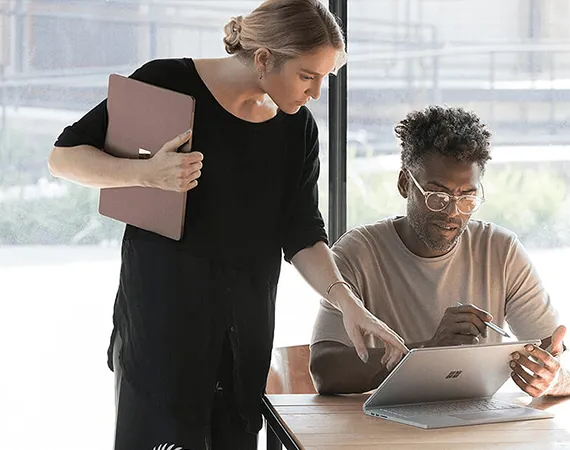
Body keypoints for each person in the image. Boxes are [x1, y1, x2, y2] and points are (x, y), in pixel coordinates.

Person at [48, 1, 407, 448]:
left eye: (323, 78)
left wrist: (348, 303)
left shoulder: (297, 130)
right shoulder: (167, 82)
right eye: (307, 76)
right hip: (162, 333)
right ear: (262, 59)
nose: (315, 93)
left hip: (243, 344)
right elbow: (63, 157)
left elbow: (302, 234)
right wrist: (144, 174)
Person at [309, 106, 570, 398]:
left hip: (475, 433)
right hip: (386, 431)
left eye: (467, 198)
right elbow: (324, 371)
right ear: (405, 184)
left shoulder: (501, 251)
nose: (452, 212)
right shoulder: (358, 253)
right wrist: (426, 352)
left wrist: (557, 378)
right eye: (437, 196)